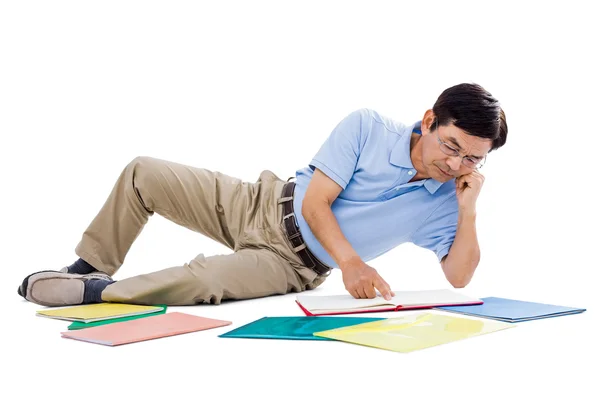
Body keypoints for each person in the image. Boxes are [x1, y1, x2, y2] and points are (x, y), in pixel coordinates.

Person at [18, 82, 508, 307]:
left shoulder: (447, 199)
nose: (457, 164)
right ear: (428, 121)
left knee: (203, 279)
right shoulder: (367, 127)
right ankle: (89, 265)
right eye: (452, 146)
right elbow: (316, 203)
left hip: (291, 265)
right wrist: (354, 265)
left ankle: (98, 293)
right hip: (260, 202)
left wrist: (468, 209)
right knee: (144, 172)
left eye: (473, 159)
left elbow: (460, 277)